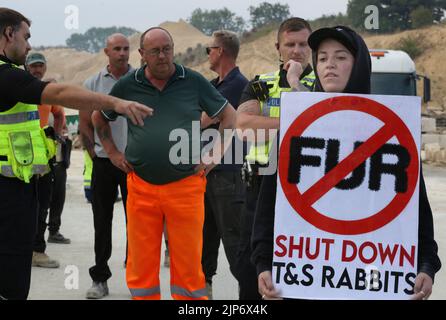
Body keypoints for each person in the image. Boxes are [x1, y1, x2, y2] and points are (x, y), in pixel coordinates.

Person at [251, 25, 442, 300]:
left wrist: (426, 264)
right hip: (303, 280)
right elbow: (270, 201)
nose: (330, 65)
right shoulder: (295, 127)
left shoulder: (392, 128)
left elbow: (415, 206)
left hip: (370, 279)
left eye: (341, 57)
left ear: (359, 64)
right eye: (323, 58)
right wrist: (263, 263)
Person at [0, 7, 152, 300]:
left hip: (18, 185)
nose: (30, 46)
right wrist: (116, 103)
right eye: (25, 36)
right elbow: (57, 93)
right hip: (8, 192)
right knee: (11, 278)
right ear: (8, 34)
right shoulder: (6, 77)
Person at [92, 27, 236, 300]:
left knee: (189, 263)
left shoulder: (193, 81)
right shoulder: (128, 85)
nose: (162, 56)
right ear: (142, 54)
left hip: (186, 187)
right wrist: (111, 152)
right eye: (155, 51)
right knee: (141, 263)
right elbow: (99, 119)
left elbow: (230, 117)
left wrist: (213, 156)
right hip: (141, 187)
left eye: (167, 49)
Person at [235, 17, 315, 300]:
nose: (296, 51)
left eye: (303, 44)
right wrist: (292, 123)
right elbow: (244, 126)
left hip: (306, 192)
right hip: (260, 189)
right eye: (289, 44)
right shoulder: (260, 84)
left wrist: (295, 84)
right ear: (277, 48)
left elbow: (322, 121)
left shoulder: (324, 85)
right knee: (250, 272)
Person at [79, 33, 134, 299]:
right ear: (106, 52)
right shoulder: (93, 83)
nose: (122, 53)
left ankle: (137, 277)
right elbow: (85, 124)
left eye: (126, 49)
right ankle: (99, 278)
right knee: (102, 223)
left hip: (135, 164)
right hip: (103, 163)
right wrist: (94, 154)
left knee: (137, 223)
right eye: (117, 49)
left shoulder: (141, 80)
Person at [200, 30, 248, 299]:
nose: (208, 54)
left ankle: (248, 296)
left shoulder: (236, 84)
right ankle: (202, 295)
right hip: (208, 174)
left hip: (227, 175)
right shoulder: (215, 85)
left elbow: (202, 119)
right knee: (204, 241)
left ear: (221, 51)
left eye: (209, 49)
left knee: (234, 243)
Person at [25, 52, 70, 270]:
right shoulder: (19, 87)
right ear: (26, 67)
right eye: (33, 66)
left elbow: (60, 114)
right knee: (20, 204)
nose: (37, 70)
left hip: (44, 156)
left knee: (43, 202)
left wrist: (58, 134)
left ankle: (37, 250)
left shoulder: (46, 92)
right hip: (20, 158)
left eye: (40, 66)